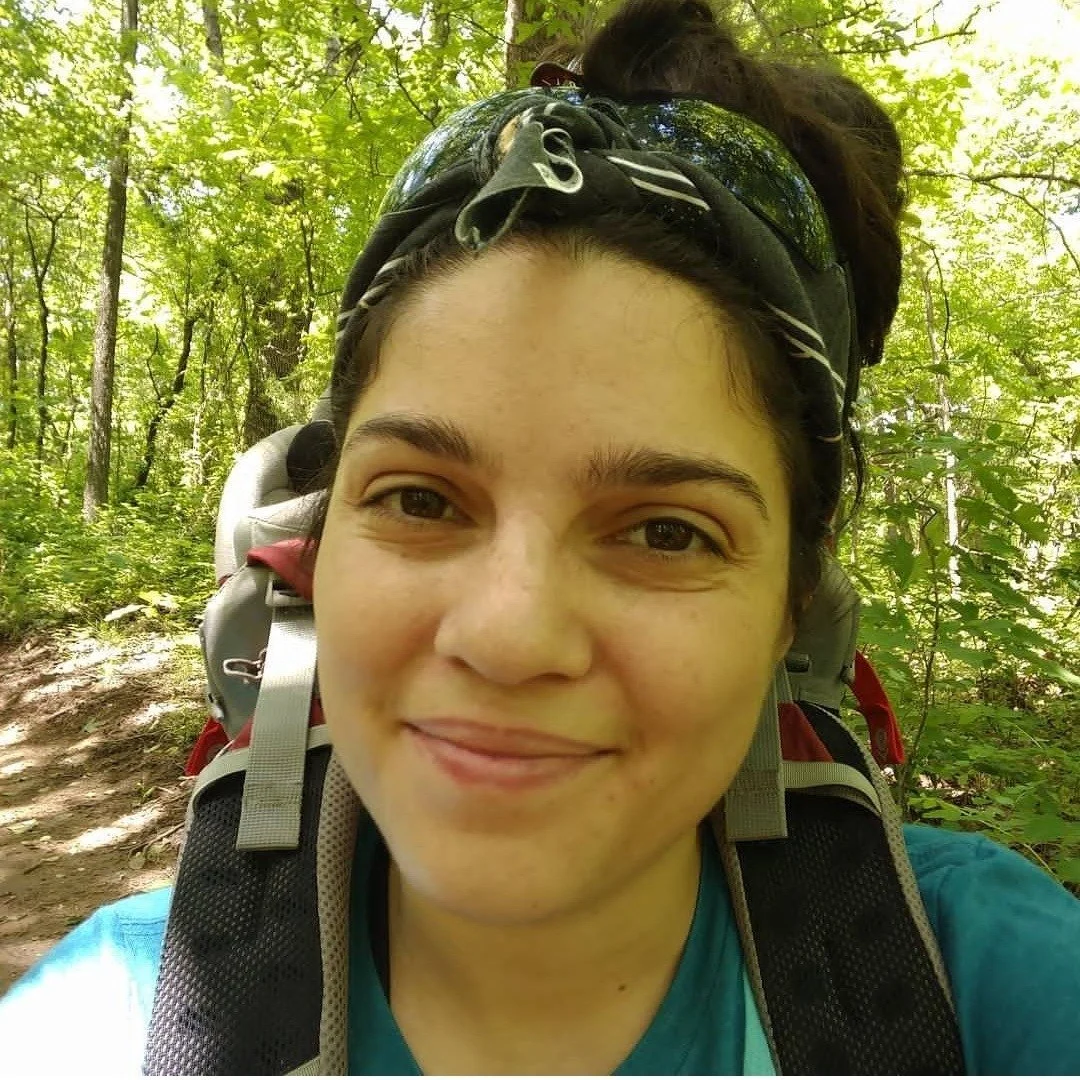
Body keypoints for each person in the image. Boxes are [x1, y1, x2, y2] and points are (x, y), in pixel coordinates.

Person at [3, 0, 1080, 1073]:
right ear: (318, 551)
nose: (509, 638)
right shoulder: (102, 1023)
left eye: (666, 532)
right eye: (421, 501)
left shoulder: (998, 985)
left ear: (791, 602)